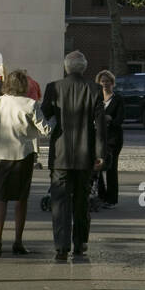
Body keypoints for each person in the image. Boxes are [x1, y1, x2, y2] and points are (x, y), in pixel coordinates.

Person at [41, 50, 107, 262]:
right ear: (84, 67)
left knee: (60, 201)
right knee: (81, 200)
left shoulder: (54, 88)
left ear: (66, 67)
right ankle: (80, 242)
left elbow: (45, 114)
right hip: (85, 153)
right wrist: (100, 153)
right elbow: (100, 126)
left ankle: (61, 245)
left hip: (60, 153)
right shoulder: (94, 89)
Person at [0, 69, 50, 256]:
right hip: (23, 155)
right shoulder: (31, 104)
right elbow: (45, 129)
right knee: (21, 199)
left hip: (1, 154)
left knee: (0, 198)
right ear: (25, 85)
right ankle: (18, 241)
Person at [95, 70, 125, 207]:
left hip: (113, 138)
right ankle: (101, 195)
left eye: (108, 81)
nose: (105, 84)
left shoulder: (118, 99)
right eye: (103, 81)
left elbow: (120, 119)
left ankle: (112, 199)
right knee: (96, 167)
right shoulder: (96, 98)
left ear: (112, 83)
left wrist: (109, 119)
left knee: (111, 168)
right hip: (98, 137)